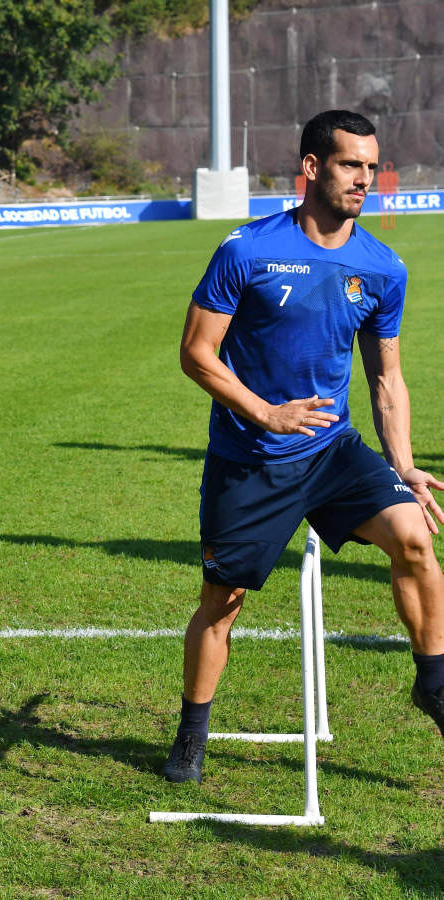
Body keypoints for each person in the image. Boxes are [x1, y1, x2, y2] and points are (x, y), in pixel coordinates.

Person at [166, 109, 444, 784]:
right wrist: (266, 412)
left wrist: (403, 463)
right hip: (251, 459)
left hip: (333, 450)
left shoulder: (382, 266)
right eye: (352, 164)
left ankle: (433, 683)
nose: (366, 179)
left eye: (372, 167)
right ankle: (192, 736)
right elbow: (196, 354)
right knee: (222, 603)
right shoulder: (247, 251)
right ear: (313, 167)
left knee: (415, 539)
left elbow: (387, 377)